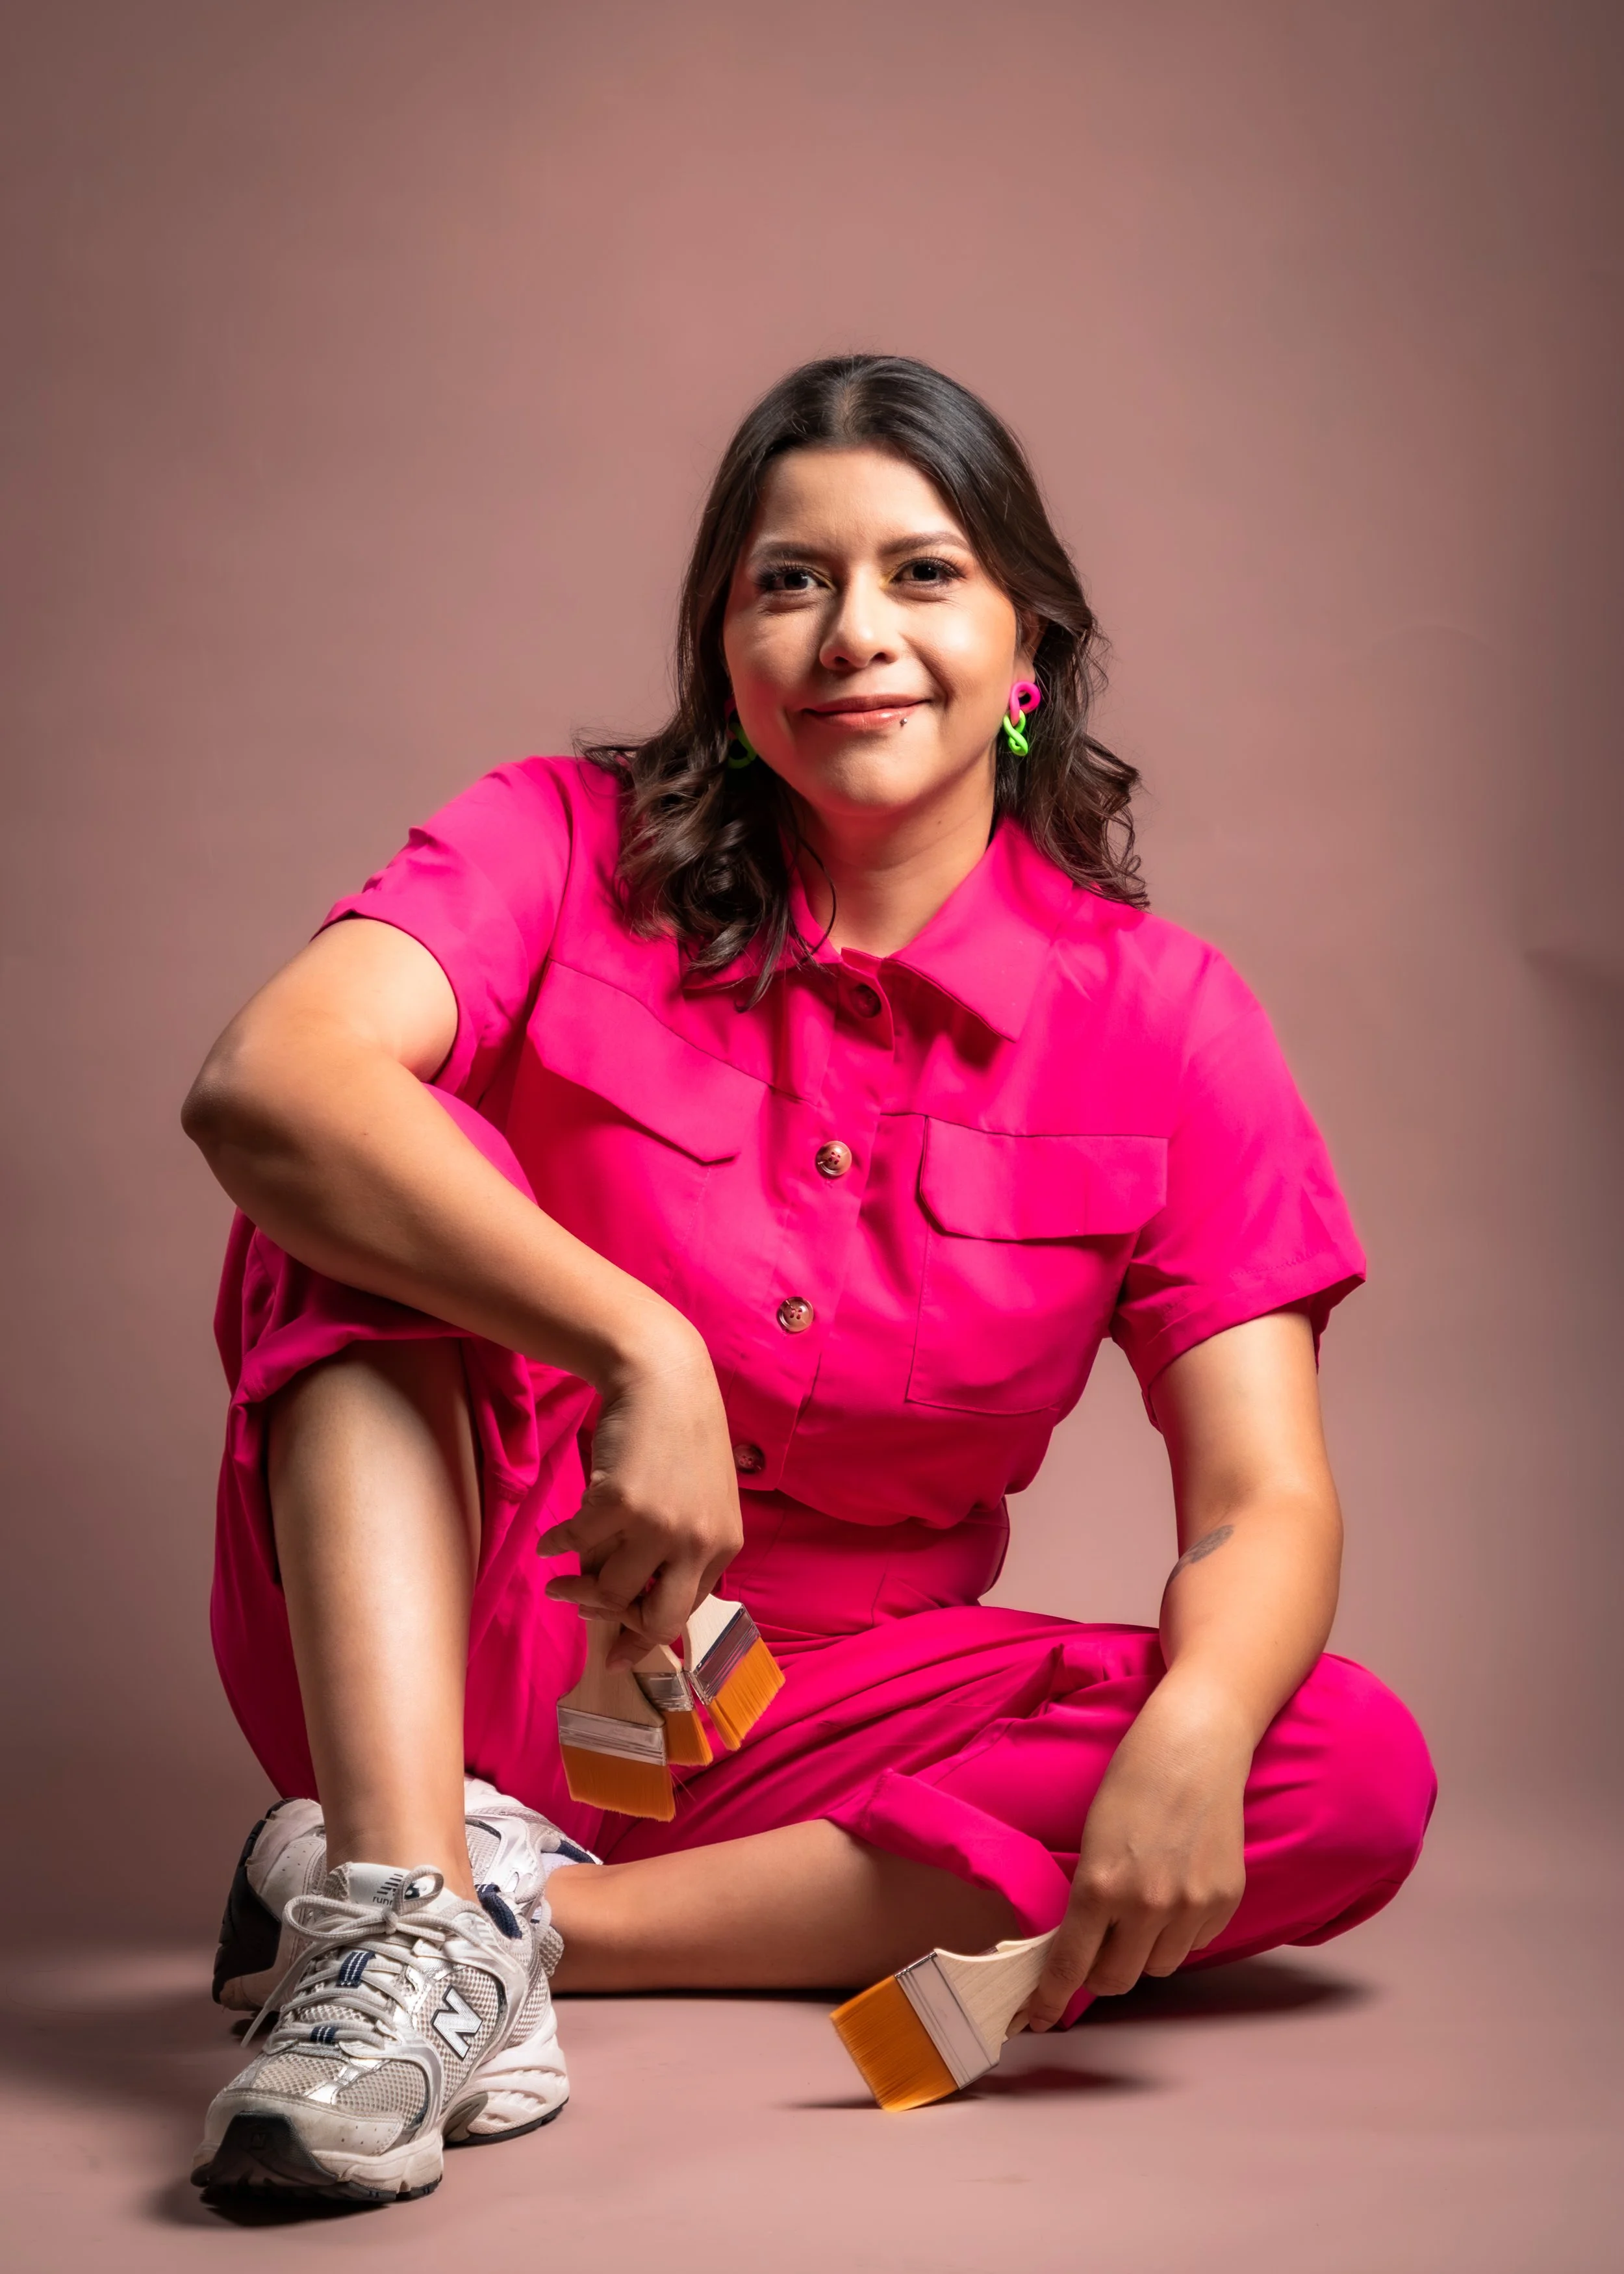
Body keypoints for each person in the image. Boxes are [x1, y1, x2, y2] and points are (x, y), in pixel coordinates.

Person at [182, 353, 1435, 2208]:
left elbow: (1262, 1498)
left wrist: (1185, 1728)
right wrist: (634, 1346)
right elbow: (265, 1084)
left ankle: (486, 1925)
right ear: (726, 654)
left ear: (1027, 657)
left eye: (923, 574)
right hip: (483, 1616)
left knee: (1327, 1755)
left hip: (822, 1713)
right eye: (791, 581)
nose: (856, 631)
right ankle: (401, 1870)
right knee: (352, 1174)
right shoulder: (551, 841)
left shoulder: (1168, 1021)